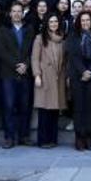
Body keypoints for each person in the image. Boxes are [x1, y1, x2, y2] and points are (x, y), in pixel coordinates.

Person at [0, 2, 34, 148]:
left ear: (23, 13)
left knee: (25, 106)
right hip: (8, 74)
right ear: (10, 13)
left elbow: (32, 50)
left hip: (25, 73)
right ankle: (9, 137)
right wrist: (16, 65)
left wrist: (26, 65)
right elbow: (1, 51)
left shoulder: (29, 29)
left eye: (20, 11)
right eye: (14, 11)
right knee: (9, 106)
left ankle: (24, 136)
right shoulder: (3, 30)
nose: (17, 14)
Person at [66, 11, 91, 151]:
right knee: (79, 108)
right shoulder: (74, 36)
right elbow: (73, 56)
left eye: (87, 20)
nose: (85, 23)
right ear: (79, 22)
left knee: (90, 107)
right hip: (77, 76)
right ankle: (79, 137)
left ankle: (89, 136)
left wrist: (90, 71)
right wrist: (83, 71)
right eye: (83, 20)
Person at [31, 14, 68, 148]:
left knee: (54, 111)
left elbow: (65, 60)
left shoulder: (62, 39)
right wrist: (37, 75)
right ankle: (43, 140)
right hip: (44, 78)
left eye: (56, 21)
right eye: (51, 21)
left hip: (58, 78)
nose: (53, 24)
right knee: (44, 111)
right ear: (47, 23)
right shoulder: (40, 38)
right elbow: (35, 58)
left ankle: (53, 139)